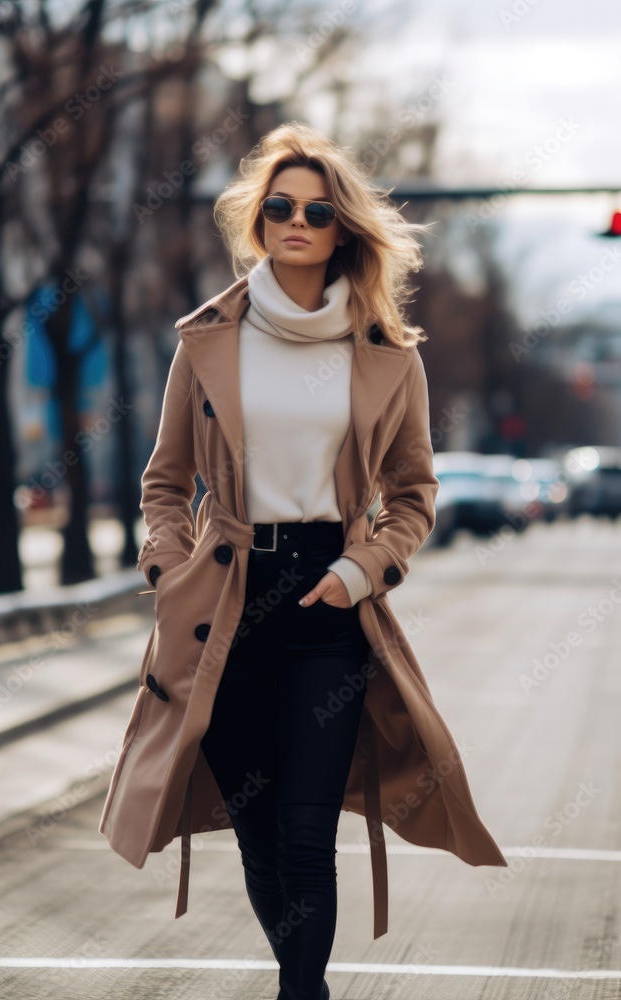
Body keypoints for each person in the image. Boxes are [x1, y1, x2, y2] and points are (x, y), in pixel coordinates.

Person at [98, 121, 507, 1000]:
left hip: (326, 606)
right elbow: (164, 482)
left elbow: (412, 495)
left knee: (303, 833)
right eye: (278, 206)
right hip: (226, 602)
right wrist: (170, 571)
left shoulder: (388, 357)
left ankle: (301, 994)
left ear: (342, 230)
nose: (296, 222)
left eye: (317, 212)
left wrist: (360, 570)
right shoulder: (205, 339)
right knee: (253, 829)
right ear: (258, 220)